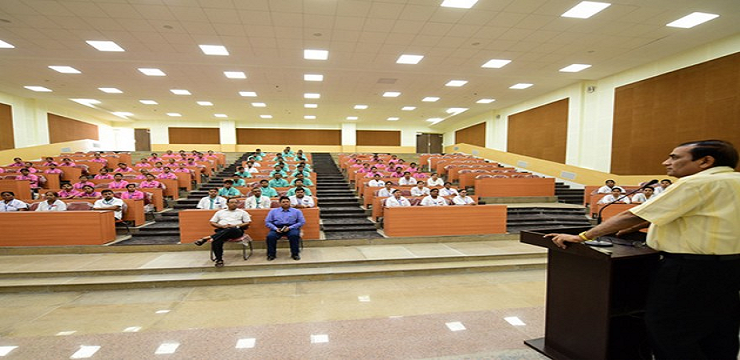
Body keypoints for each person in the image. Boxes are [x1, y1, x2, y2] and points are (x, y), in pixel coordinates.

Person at [547, 140, 740, 360]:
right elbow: (689, 212)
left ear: (706, 161)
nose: (666, 162)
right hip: (731, 268)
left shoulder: (694, 184)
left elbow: (631, 214)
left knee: (668, 329)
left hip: (689, 270)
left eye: (675, 157)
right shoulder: (735, 181)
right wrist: (636, 226)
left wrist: (582, 236)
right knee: (719, 328)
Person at [193, 198, 251, 267]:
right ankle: (219, 259)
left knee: (231, 229)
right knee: (216, 241)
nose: (234, 204)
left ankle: (207, 238)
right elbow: (212, 222)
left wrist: (235, 225)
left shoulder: (242, 212)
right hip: (222, 230)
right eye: (232, 202)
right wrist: (221, 226)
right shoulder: (220, 212)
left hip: (236, 231)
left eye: (236, 203)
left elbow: (248, 222)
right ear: (227, 204)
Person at [265, 196, 305, 261]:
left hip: (291, 227)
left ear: (290, 202)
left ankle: (295, 254)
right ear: (280, 203)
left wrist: (290, 227)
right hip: (277, 227)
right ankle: (271, 254)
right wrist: (275, 228)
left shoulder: (297, 211)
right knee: (270, 236)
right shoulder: (273, 211)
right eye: (283, 202)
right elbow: (267, 222)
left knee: (294, 235)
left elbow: (302, 222)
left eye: (287, 202)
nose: (286, 203)